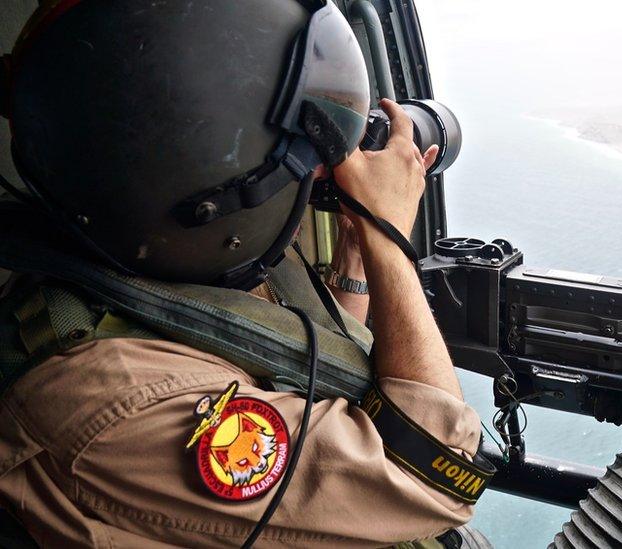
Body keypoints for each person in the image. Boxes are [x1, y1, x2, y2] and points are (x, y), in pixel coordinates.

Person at [0, 0, 489, 546]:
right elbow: (429, 475)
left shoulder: (153, 259)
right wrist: (388, 236)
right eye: (305, 153)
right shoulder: (113, 400)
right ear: (214, 184)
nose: (325, 168)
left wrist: (356, 261)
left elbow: (295, 369)